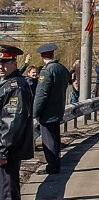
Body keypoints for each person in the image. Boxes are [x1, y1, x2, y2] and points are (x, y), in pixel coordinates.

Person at [0, 45, 35, 200]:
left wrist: (3, 150)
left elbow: (13, 121)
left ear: (14, 62)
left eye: (5, 62)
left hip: (7, 150)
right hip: (5, 148)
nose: (1, 67)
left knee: (7, 193)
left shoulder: (16, 86)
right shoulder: (7, 84)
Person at [33, 43, 69, 175]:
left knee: (48, 141)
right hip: (58, 108)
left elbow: (42, 93)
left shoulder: (46, 71)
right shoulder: (61, 68)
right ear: (53, 54)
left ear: (42, 56)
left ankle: (52, 166)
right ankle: (55, 164)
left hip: (47, 111)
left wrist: (35, 112)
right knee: (55, 138)